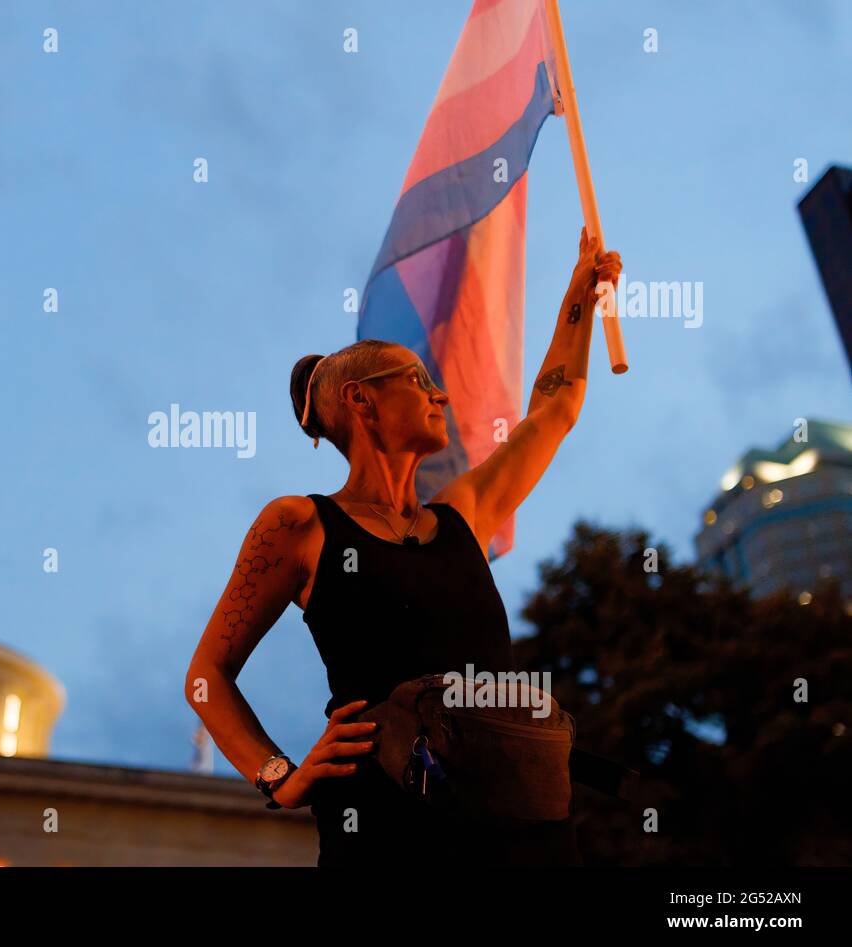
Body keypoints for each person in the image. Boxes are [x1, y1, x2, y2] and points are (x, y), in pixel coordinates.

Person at [185, 228, 622, 866]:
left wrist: (579, 296)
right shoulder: (300, 524)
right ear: (360, 400)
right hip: (386, 823)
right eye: (419, 379)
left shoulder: (463, 516)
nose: (440, 394)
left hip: (519, 821)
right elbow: (206, 678)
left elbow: (554, 410)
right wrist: (280, 777)